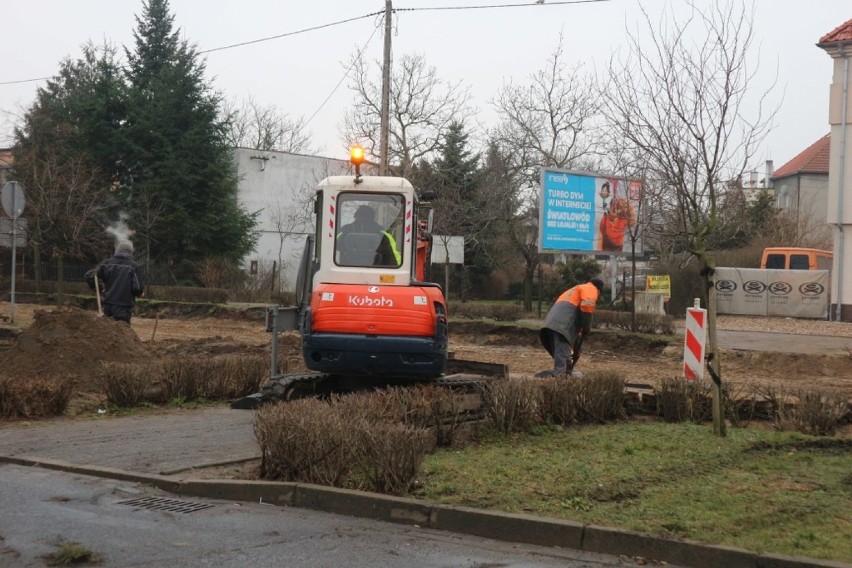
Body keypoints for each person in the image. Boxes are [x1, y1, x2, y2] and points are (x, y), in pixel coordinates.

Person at [536, 278, 604, 377]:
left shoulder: (575, 289)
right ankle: (561, 376)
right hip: (562, 324)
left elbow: (575, 313)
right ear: (599, 290)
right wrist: (587, 326)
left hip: (552, 323)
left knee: (562, 352)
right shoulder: (591, 288)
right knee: (562, 351)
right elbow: (588, 305)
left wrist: (579, 335)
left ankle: (565, 372)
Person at [85, 241, 144, 324]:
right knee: (123, 332)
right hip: (123, 306)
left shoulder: (106, 264)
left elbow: (89, 276)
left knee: (108, 332)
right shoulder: (133, 266)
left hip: (108, 305)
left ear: (117, 250)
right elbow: (137, 288)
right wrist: (140, 293)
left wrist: (100, 288)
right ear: (131, 251)